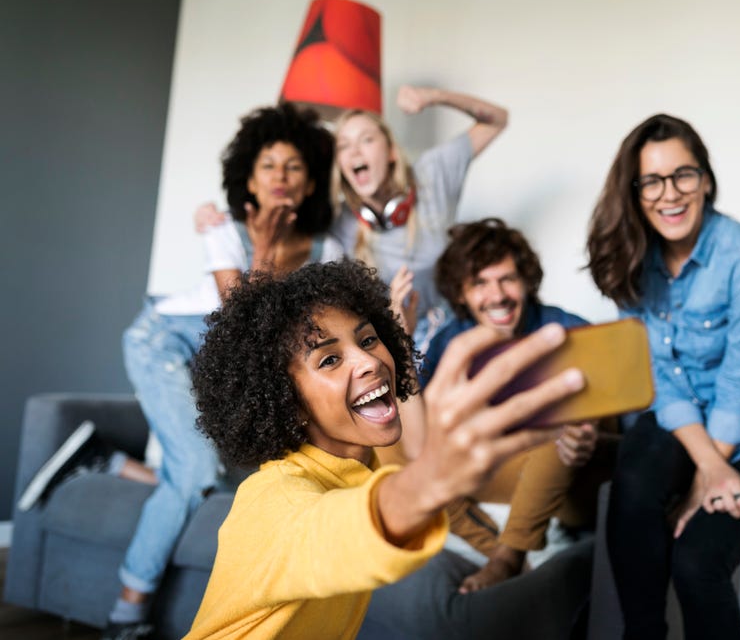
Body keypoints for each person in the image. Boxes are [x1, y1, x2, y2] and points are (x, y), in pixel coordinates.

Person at [19, 103, 340, 640]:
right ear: (249, 180)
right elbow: (241, 320)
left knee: (238, 482)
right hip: (163, 345)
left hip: (221, 368)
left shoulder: (324, 249)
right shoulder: (225, 230)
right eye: (268, 166)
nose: (281, 177)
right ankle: (128, 610)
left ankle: (103, 463)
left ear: (309, 184)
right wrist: (260, 246)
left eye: (293, 167)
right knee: (192, 472)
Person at [183, 260, 585, 640]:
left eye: (369, 339)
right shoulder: (273, 498)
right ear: (285, 400)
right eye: (329, 360)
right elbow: (340, 531)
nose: (369, 361)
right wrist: (431, 478)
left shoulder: (363, 459)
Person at [585, 113, 740, 639]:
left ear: (705, 179)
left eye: (683, 174)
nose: (670, 194)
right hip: (681, 423)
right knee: (633, 485)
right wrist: (705, 467)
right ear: (635, 192)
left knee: (696, 562)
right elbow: (659, 376)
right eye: (652, 181)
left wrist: (707, 477)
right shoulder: (631, 260)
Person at [408, 217, 615, 592]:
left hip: (571, 471)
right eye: (480, 284)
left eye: (507, 279)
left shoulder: (568, 330)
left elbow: (620, 412)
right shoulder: (449, 342)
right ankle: (496, 550)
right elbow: (420, 424)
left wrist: (590, 431)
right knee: (403, 443)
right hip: (499, 472)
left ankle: (509, 557)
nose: (497, 295)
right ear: (461, 294)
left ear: (525, 283)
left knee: (559, 419)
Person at [331, 85, 508, 351]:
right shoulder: (337, 223)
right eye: (344, 146)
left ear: (391, 152)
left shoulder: (432, 174)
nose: (355, 152)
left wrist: (436, 96)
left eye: (366, 140)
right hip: (391, 349)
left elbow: (496, 120)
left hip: (454, 333)